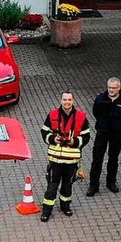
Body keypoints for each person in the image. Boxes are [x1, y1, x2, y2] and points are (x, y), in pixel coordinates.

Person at [40, 91, 91, 222]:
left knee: (67, 186)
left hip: (72, 160)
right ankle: (46, 211)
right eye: (64, 99)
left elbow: (86, 137)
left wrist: (74, 142)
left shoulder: (81, 117)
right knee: (52, 186)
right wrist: (52, 139)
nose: (67, 102)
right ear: (61, 100)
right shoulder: (52, 115)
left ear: (73, 101)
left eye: (69, 100)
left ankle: (65, 207)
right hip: (55, 160)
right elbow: (44, 131)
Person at [86, 77, 121, 197]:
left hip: (117, 134)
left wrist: (119, 125)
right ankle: (93, 185)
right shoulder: (100, 98)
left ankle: (111, 182)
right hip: (102, 132)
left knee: (114, 158)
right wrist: (103, 124)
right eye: (109, 88)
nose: (111, 90)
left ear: (119, 88)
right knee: (97, 159)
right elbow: (95, 112)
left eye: (114, 88)